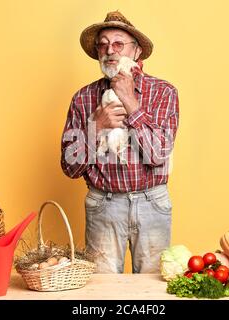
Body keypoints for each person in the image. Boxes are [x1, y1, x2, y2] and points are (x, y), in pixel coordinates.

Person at [60, 11, 179, 273]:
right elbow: (69, 167)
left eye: (118, 43)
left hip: (152, 203)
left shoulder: (164, 93)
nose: (109, 50)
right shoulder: (82, 99)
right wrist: (96, 127)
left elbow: (157, 154)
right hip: (104, 204)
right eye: (103, 44)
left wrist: (130, 102)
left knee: (152, 287)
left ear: (136, 52)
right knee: (101, 289)